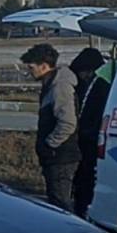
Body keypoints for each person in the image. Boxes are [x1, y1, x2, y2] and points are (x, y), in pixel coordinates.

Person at [22, 43, 80, 211]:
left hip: (61, 155)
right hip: (56, 155)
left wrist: (50, 144)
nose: (29, 70)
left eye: (32, 66)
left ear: (44, 66)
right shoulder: (51, 84)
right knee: (57, 200)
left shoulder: (59, 87)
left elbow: (68, 122)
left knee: (60, 202)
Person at [70, 47, 111, 217]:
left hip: (91, 141)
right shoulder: (88, 85)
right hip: (85, 139)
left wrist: (86, 133)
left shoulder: (100, 86)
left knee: (87, 179)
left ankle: (84, 210)